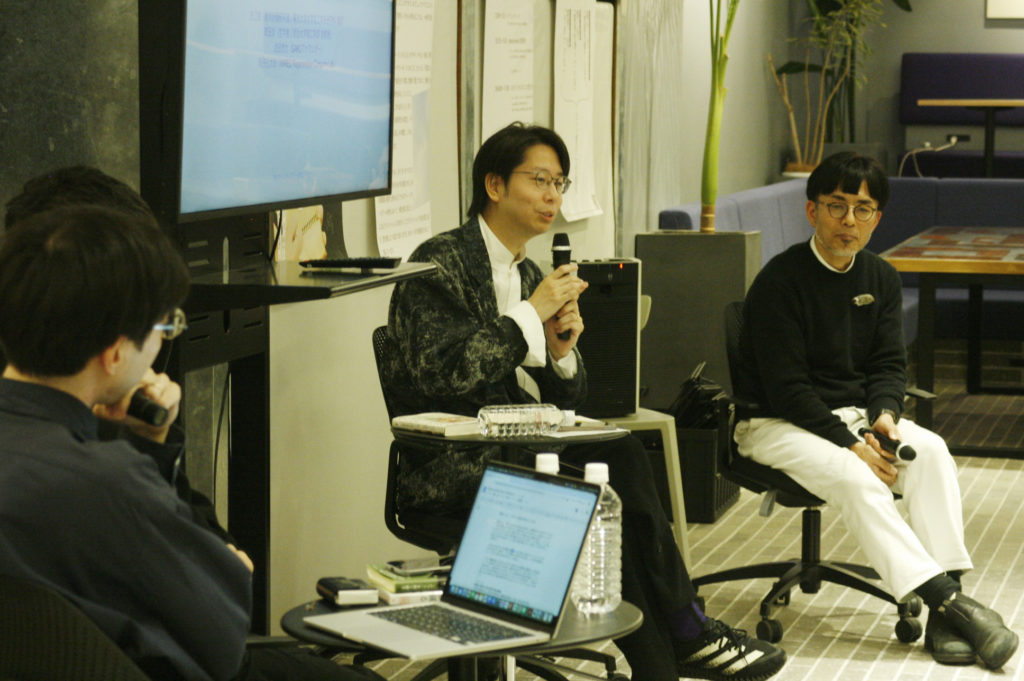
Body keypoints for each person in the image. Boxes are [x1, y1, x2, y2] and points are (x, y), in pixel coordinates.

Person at [381, 122, 787, 681]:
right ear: (494, 186)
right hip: (448, 465)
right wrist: (530, 313)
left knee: (619, 456)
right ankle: (682, 637)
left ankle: (678, 641)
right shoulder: (438, 264)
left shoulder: (526, 270)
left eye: (560, 184)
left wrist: (560, 352)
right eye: (539, 180)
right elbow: (446, 376)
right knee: (606, 487)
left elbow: (574, 397)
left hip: (513, 447)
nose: (553, 196)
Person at [0, 205, 381, 681]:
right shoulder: (104, 481)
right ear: (114, 353)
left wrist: (149, 445)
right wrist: (228, 568)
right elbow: (222, 644)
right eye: (162, 329)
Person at [731, 151, 1019, 670]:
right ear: (812, 210)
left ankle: (943, 612)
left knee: (932, 452)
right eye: (836, 206)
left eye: (862, 209)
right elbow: (787, 389)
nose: (849, 220)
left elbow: (889, 365)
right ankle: (951, 604)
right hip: (776, 421)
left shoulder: (880, 277)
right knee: (857, 477)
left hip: (853, 416)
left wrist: (885, 415)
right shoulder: (781, 281)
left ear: (877, 218)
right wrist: (852, 445)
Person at [2, 165, 231, 547]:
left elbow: (199, 532)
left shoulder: (116, 402)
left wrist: (151, 440)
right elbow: (219, 572)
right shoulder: (94, 472)